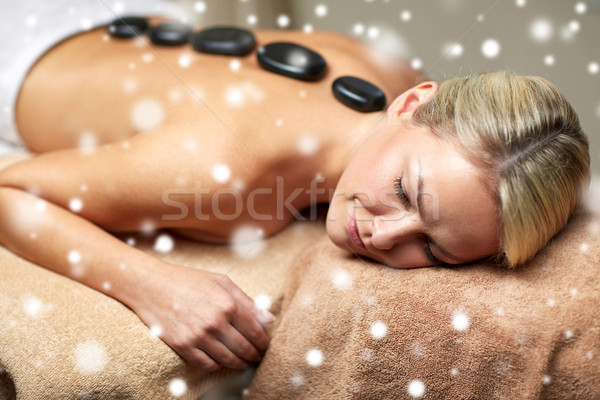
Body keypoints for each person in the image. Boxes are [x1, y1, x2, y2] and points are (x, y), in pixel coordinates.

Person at [0, 13, 590, 372]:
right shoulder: (220, 171)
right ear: (413, 102)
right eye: (408, 195)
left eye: (433, 252)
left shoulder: (395, 77)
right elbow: (11, 191)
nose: (381, 236)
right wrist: (150, 284)